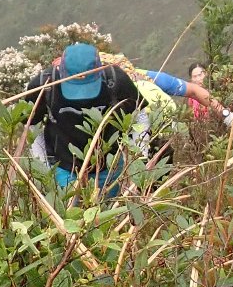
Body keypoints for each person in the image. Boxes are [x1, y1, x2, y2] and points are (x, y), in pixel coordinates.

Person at [26, 41, 149, 190]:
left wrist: (140, 158)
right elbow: (32, 124)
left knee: (108, 204)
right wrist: (43, 166)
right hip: (63, 167)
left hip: (109, 165)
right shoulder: (44, 85)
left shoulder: (115, 80)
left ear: (99, 69)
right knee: (68, 205)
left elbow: (139, 114)